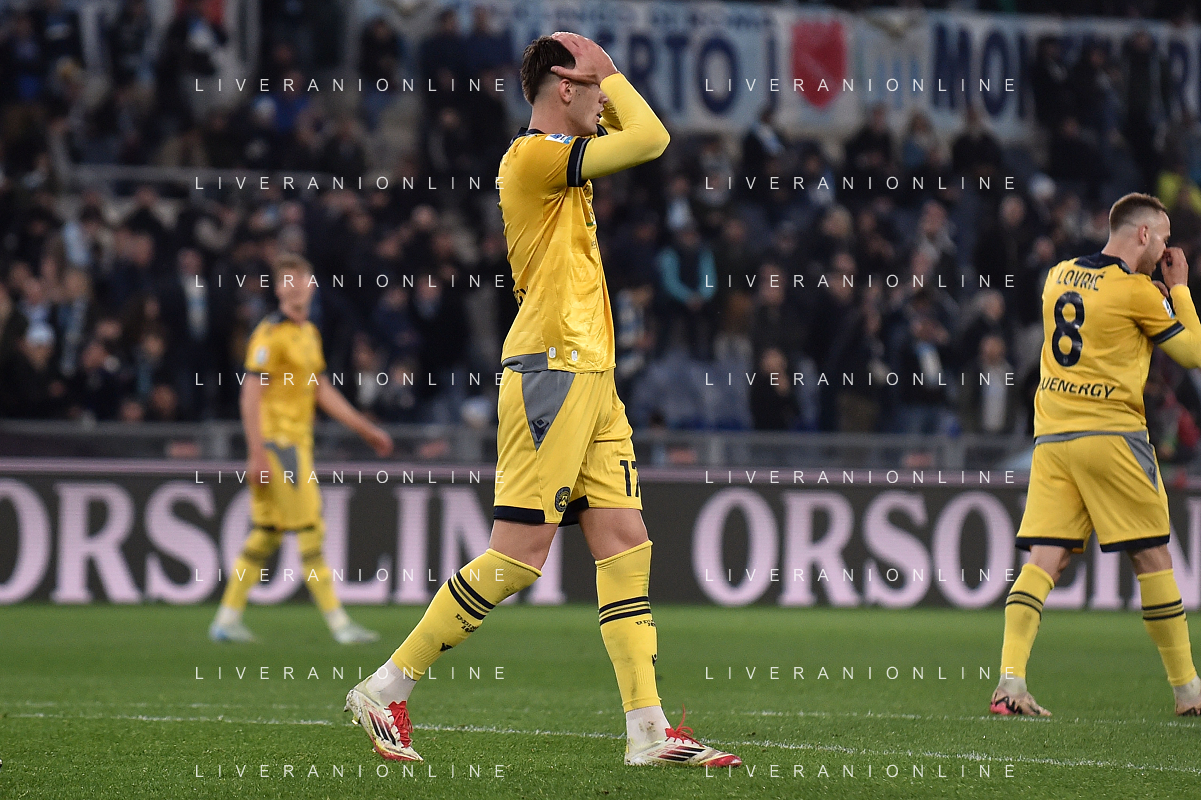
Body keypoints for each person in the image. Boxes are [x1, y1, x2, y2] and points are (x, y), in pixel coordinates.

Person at [344, 32, 740, 769]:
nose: (605, 98)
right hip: (551, 370)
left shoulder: (562, 162)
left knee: (625, 542)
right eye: (593, 84)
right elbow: (650, 138)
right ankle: (385, 687)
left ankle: (648, 731)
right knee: (519, 555)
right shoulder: (532, 156)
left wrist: (597, 77)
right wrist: (610, 74)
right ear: (564, 86)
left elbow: (632, 135)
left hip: (593, 375)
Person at [992, 193, 1201, 717]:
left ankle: (1010, 684)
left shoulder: (1058, 275)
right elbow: (1193, 352)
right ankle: (1189, 692)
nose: (1168, 250)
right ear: (1144, 234)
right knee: (1152, 558)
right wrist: (1179, 290)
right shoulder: (1136, 291)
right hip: (1111, 437)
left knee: (1044, 561)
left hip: (1053, 440)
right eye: (1164, 238)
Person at [208, 254, 392, 645]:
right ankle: (340, 625)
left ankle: (226, 620)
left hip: (295, 444)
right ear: (278, 289)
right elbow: (250, 395)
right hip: (279, 447)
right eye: (286, 280)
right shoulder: (269, 334)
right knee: (311, 528)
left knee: (267, 533)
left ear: (312, 285)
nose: (294, 287)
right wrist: (256, 453)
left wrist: (365, 429)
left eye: (301, 279)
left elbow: (320, 389)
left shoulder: (308, 333)